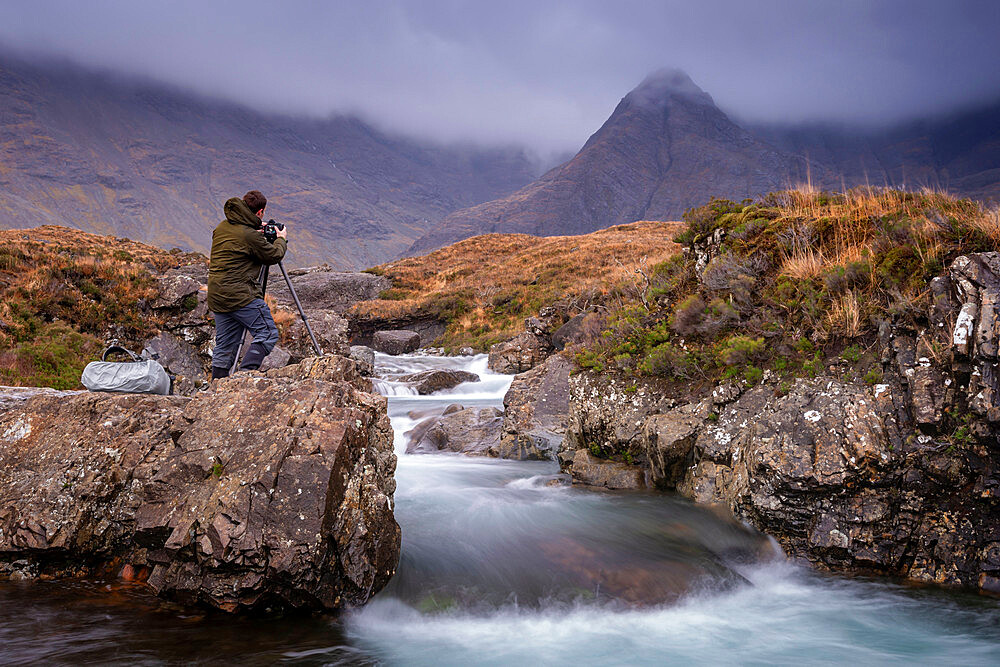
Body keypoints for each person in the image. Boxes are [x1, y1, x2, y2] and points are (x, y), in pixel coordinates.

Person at [207, 190, 287, 379]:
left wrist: (255, 230)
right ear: (260, 212)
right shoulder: (249, 236)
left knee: (225, 345)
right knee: (267, 334)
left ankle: (216, 389)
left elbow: (238, 240)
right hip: (240, 295)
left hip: (218, 296)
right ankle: (244, 377)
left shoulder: (222, 227)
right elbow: (273, 255)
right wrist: (281, 239)